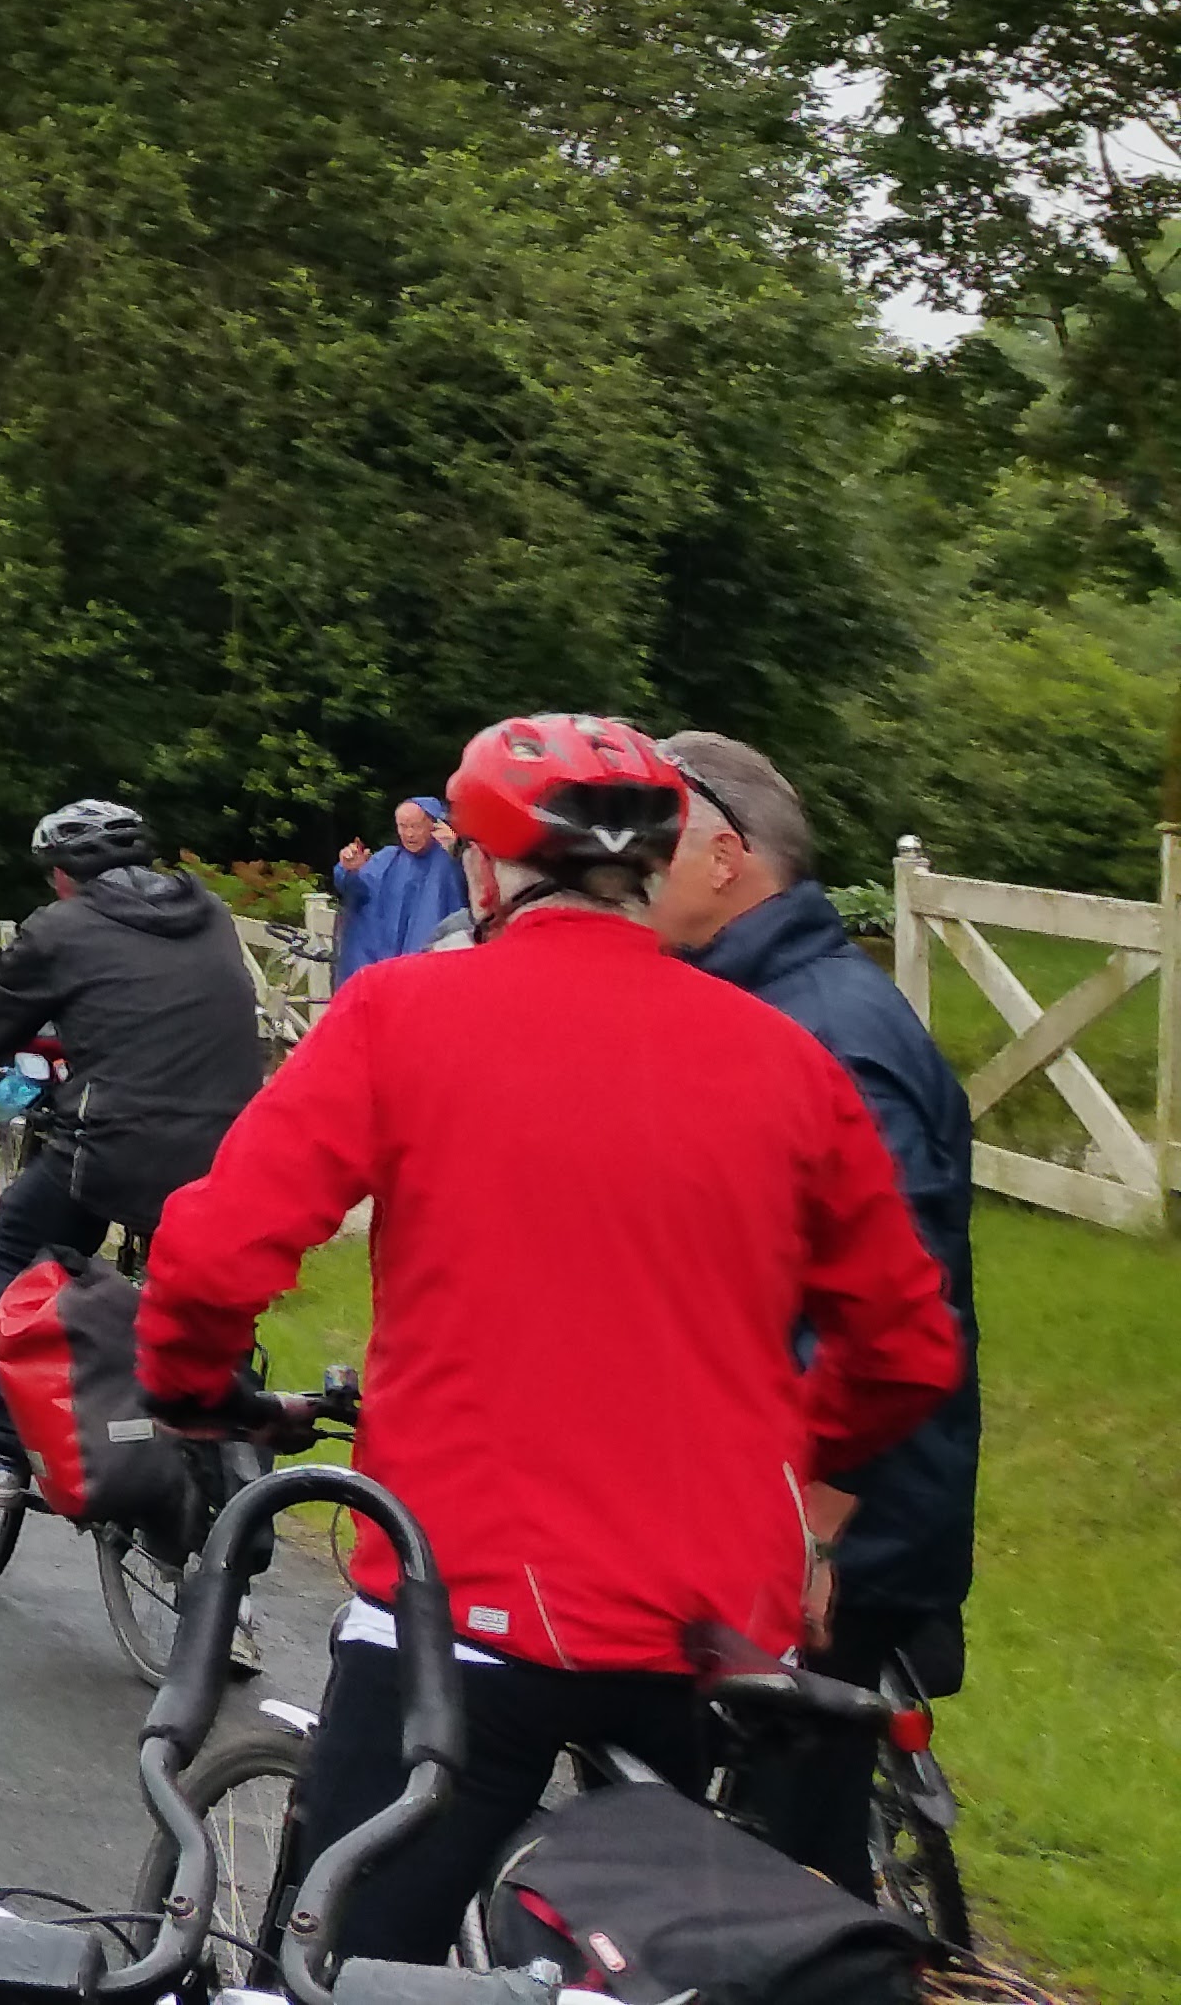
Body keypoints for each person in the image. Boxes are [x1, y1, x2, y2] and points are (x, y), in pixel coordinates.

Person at [137, 713, 960, 1964]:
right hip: (699, 1632)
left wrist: (193, 1388)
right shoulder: (787, 1064)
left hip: (461, 1602)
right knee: (632, 1956)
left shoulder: (400, 1012)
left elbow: (212, 1253)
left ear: (479, 865)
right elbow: (903, 1343)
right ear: (655, 866)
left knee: (338, 1965)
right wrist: (796, 1459)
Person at [648, 728, 983, 1901]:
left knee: (771, 1897)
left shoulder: (828, 1030)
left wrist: (814, 1522)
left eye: (652, 843)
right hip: (759, 1496)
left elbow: (899, 1305)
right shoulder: (742, 1003)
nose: (624, 870)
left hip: (835, 1528)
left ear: (725, 858)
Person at [0, 797, 264, 1508]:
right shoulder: (210, 914)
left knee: (14, 1249)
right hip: (229, 1153)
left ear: (64, 874)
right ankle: (231, 1462)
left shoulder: (63, 927)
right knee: (197, 1294)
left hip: (114, 1149)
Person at [330, 796, 461, 975]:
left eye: (415, 826)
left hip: (429, 970)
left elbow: (474, 888)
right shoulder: (387, 859)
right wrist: (348, 871)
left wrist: (458, 849)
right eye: (403, 826)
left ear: (433, 825)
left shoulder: (450, 861)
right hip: (384, 969)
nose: (409, 834)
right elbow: (355, 891)